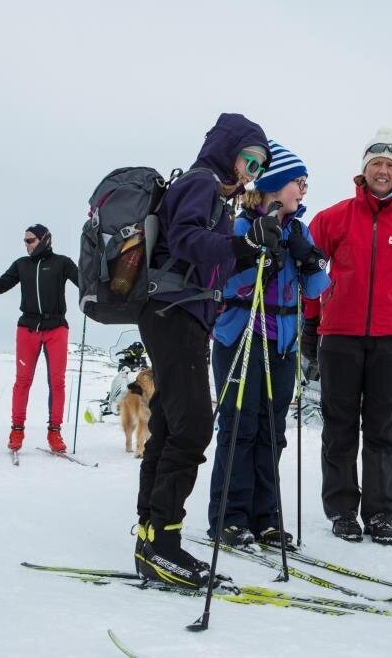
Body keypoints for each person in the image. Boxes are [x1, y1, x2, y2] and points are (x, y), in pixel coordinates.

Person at [133, 112, 271, 587]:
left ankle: (150, 537)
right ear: (226, 149)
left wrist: (246, 248)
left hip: (180, 314)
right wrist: (240, 243)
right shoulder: (202, 183)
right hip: (174, 314)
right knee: (191, 429)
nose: (250, 172)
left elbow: (206, 252)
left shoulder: (214, 192)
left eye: (258, 165)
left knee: (171, 426)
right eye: (247, 159)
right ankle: (162, 543)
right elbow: (188, 239)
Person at [302, 127, 392, 545]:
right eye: (376, 163)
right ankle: (342, 511)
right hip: (338, 334)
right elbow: (310, 271)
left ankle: (380, 514)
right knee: (339, 426)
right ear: (363, 170)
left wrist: (391, 301)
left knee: (381, 428)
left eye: (390, 165)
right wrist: (312, 321)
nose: (382, 170)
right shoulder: (332, 218)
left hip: (391, 339)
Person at [207, 141, 329, 548]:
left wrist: (309, 260)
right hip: (242, 337)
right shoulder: (239, 226)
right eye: (299, 182)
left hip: (282, 344)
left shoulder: (299, 230)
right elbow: (222, 283)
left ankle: (267, 517)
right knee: (240, 426)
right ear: (275, 185)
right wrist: (259, 259)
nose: (303, 189)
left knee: (272, 431)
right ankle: (229, 516)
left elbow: (316, 289)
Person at [0, 225, 78, 453]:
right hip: (27, 328)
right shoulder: (22, 264)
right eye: (25, 241)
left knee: (57, 382)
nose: (26, 245)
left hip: (56, 328)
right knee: (22, 381)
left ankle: (55, 432)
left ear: (44, 240)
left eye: (30, 241)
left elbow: (85, 283)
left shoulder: (62, 263)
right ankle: (17, 431)